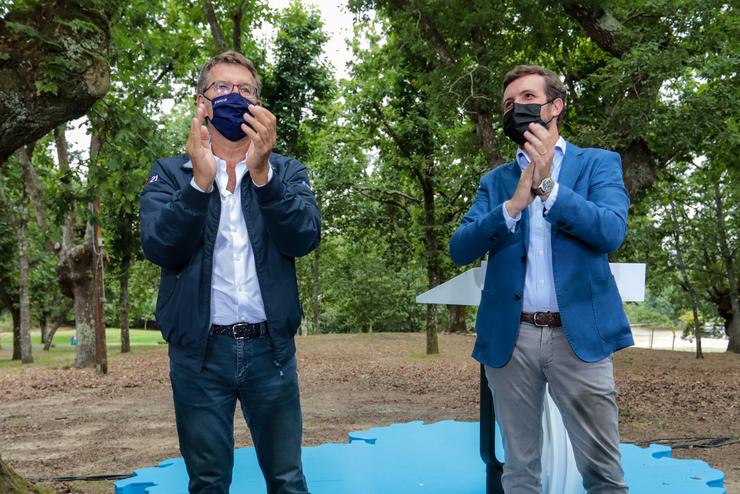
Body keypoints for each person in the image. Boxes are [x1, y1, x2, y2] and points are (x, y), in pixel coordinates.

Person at [140, 51, 319, 494]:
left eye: (245, 90)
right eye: (222, 87)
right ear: (202, 102)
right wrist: (200, 185)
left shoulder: (288, 171)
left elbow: (303, 238)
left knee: (287, 478)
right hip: (199, 356)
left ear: (260, 106)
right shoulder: (169, 174)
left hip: (270, 354)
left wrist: (263, 174)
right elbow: (160, 246)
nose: (233, 96)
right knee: (207, 481)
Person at [450, 65, 633, 493]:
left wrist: (548, 184)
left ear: (556, 106)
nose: (518, 109)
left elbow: (611, 231)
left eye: (529, 99)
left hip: (580, 338)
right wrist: (513, 206)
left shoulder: (597, 164)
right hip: (512, 341)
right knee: (519, 470)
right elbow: (460, 247)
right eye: (509, 104)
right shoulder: (495, 182)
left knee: (604, 473)